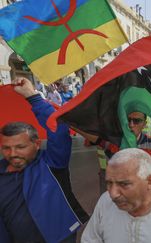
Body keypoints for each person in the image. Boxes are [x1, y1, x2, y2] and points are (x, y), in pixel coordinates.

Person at [0, 77, 89, 243]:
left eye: (20, 147)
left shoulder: (52, 163)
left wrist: (32, 97)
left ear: (36, 144)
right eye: (6, 148)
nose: (12, 153)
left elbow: (58, 129)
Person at [76, 111, 151, 193]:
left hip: (145, 197)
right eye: (128, 120)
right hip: (122, 197)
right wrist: (69, 123)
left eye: (136, 121)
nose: (131, 124)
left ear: (144, 124)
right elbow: (95, 138)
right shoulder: (115, 142)